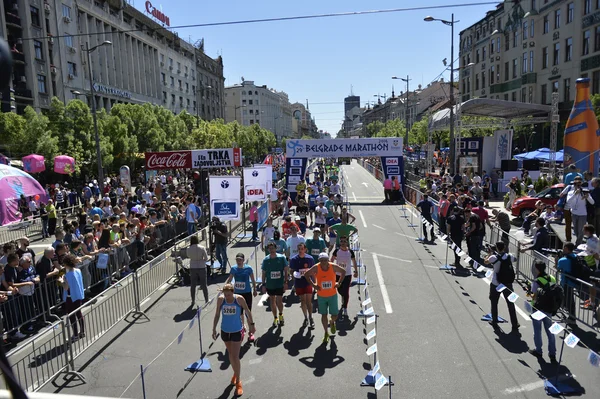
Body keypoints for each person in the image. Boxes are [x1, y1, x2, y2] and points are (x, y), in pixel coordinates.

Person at [212, 283, 255, 397]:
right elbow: (217, 314)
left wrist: (251, 324)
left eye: (229, 295)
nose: (227, 297)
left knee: (235, 356)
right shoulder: (221, 300)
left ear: (233, 292)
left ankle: (238, 381)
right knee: (231, 355)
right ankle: (236, 373)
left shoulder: (239, 299)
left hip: (237, 331)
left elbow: (247, 311)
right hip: (225, 331)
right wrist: (213, 329)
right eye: (225, 295)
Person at [303, 252, 346, 344]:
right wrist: (313, 285)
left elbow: (343, 272)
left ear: (328, 260)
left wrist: (339, 282)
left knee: (335, 315)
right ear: (319, 261)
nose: (323, 262)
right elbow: (306, 274)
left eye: (325, 260)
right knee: (323, 315)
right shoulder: (316, 267)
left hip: (332, 295)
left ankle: (332, 321)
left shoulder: (333, 266)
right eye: (321, 260)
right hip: (321, 296)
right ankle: (326, 333)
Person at [484, 241, 519, 334]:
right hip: (508, 283)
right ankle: (515, 323)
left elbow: (486, 261)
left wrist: (489, 253)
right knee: (511, 304)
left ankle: (494, 321)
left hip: (496, 283)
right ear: (504, 247)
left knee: (494, 302)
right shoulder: (508, 256)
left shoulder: (493, 257)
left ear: (496, 247)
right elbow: (515, 259)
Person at [528, 261, 557, 363]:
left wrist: (529, 294)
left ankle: (538, 350)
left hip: (538, 308)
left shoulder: (536, 281)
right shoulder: (552, 278)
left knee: (537, 330)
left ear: (536, 268)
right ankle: (552, 353)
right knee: (550, 331)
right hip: (549, 308)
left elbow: (534, 296)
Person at [226, 253, 257, 343]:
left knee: (248, 312)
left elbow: (253, 279)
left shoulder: (248, 268)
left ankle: (251, 333)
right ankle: (242, 327)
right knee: (239, 313)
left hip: (247, 293)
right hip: (237, 294)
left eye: (240, 260)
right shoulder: (234, 269)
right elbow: (230, 279)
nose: (239, 262)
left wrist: (255, 289)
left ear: (243, 260)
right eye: (237, 260)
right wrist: (225, 288)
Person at [58, 254, 86, 340]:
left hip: (70, 297)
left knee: (72, 316)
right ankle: (82, 331)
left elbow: (66, 287)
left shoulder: (67, 275)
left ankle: (75, 335)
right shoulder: (78, 270)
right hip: (78, 295)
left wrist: (61, 281)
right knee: (79, 313)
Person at [261, 242, 289, 327]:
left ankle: (281, 315)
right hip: (270, 284)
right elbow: (263, 273)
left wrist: (286, 282)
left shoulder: (281, 258)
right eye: (270, 249)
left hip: (279, 284)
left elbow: (286, 271)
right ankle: (275, 318)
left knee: (279, 300)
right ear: (268, 250)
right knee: (272, 300)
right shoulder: (266, 260)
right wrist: (263, 285)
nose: (271, 250)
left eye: (273, 248)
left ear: (276, 248)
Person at [289, 243, 315, 328]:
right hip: (299, 283)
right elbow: (291, 271)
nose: (300, 251)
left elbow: (313, 271)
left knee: (309, 301)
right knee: (303, 301)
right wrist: (294, 275)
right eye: (299, 249)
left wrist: (315, 283)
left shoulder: (310, 258)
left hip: (308, 282)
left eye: (302, 249)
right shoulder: (294, 259)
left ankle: (311, 317)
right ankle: (305, 317)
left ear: (305, 249)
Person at [331, 236, 357, 320]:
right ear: (340, 243)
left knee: (346, 291)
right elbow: (331, 260)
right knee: (339, 290)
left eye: (344, 241)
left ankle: (345, 307)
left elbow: (354, 261)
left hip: (347, 275)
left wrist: (355, 271)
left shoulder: (350, 252)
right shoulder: (337, 251)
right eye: (341, 241)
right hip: (338, 274)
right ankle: (343, 297)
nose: (343, 243)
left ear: (347, 243)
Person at [556, 242, 579, 327]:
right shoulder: (576, 257)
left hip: (566, 282)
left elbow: (558, 268)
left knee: (569, 301)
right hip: (574, 282)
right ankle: (569, 314)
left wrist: (557, 259)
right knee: (569, 299)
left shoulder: (562, 260)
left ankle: (572, 318)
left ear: (566, 248)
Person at [186, 235, 209, 306]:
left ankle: (193, 300)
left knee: (193, 285)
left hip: (193, 266)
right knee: (204, 284)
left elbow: (188, 256)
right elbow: (206, 258)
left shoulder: (189, 248)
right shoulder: (202, 248)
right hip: (201, 266)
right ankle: (206, 299)